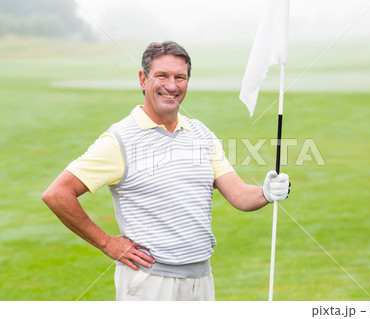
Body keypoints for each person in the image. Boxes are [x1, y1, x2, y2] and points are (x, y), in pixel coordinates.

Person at [42, 41, 290, 301]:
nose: (172, 86)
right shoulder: (120, 140)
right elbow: (57, 193)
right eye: (162, 76)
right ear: (143, 79)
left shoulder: (201, 134)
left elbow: (239, 194)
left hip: (201, 279)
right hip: (150, 282)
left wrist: (266, 192)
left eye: (180, 77)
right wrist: (107, 243)